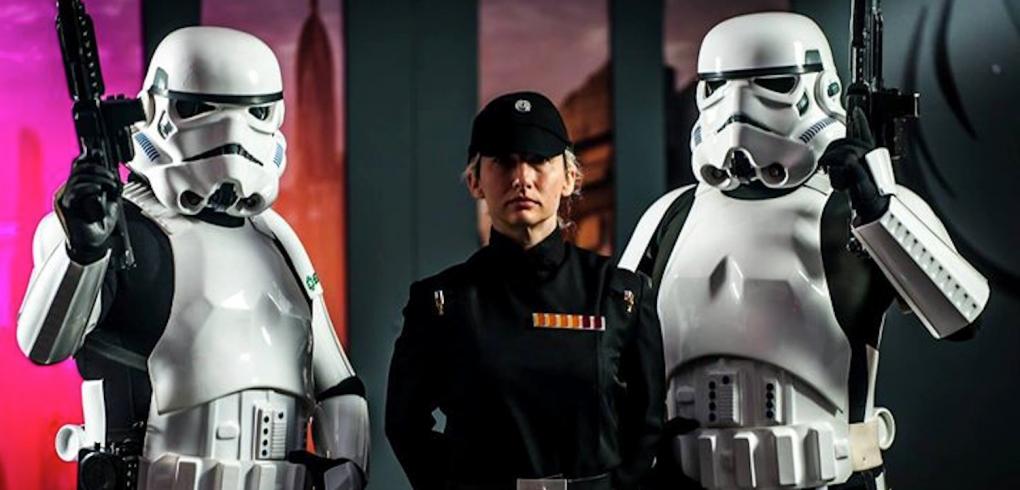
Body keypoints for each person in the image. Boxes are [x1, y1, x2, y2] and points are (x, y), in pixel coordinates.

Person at [618, 12, 989, 490]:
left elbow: (962, 317)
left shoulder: (860, 208)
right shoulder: (670, 216)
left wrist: (879, 210)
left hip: (829, 477)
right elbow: (612, 347)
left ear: (822, 90)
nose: (738, 110)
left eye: (772, 84)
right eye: (718, 87)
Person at [17, 26, 369, 490]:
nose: (233, 136)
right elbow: (43, 345)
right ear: (154, 111)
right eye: (198, 110)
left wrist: (346, 470)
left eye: (256, 113)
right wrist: (82, 250)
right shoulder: (112, 227)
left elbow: (339, 388)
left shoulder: (277, 237)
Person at [386, 91, 665, 490]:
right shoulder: (441, 303)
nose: (522, 178)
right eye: (504, 162)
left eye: (539, 160)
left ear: (570, 179)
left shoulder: (620, 294)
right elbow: (404, 423)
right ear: (475, 181)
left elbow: (648, 425)